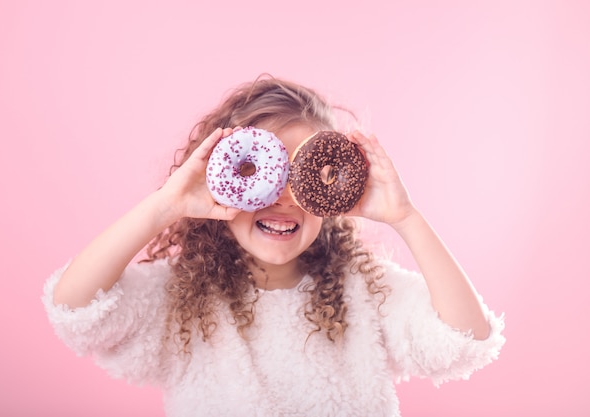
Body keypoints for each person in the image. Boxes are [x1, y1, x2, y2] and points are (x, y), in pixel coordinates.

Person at [43, 76, 505, 416]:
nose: (283, 196)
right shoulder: (182, 299)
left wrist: (406, 218)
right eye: (262, 175)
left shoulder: (366, 292)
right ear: (220, 182)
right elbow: (76, 308)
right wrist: (166, 207)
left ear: (334, 195)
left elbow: (465, 339)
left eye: (304, 177)